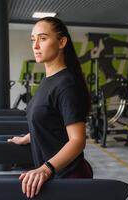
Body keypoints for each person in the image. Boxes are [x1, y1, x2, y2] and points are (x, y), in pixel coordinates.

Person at [8, 17, 93, 198]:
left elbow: (77, 141)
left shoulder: (66, 84)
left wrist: (46, 169)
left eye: (43, 38)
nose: (36, 45)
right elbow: (53, 120)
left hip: (68, 178)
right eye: (33, 40)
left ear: (61, 42)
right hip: (56, 177)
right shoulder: (48, 80)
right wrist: (30, 136)